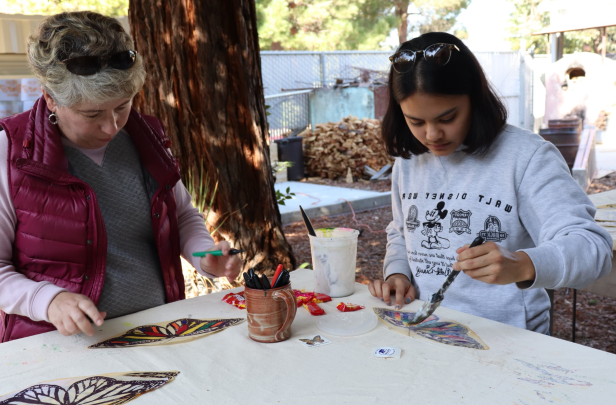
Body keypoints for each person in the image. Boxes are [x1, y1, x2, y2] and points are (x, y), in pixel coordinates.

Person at [0, 11, 242, 342]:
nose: (111, 126)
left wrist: (204, 254)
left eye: (122, 106)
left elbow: (182, 214)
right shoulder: (10, 151)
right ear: (50, 98)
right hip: (55, 346)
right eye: (92, 114)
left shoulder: (146, 135)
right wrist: (48, 300)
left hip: (156, 329)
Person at [367, 32, 613, 334]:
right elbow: (401, 231)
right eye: (416, 121)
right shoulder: (409, 162)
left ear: (475, 99)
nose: (432, 135)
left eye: (447, 118)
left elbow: (592, 247)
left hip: (509, 342)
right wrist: (398, 273)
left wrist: (524, 264)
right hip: (424, 329)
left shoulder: (526, 157)